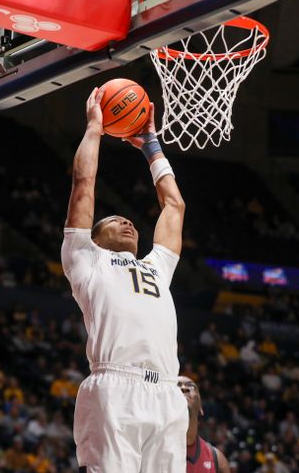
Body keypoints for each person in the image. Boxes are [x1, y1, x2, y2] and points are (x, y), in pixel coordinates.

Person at [62, 87, 188, 472]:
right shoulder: (86, 259)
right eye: (115, 220)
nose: (128, 222)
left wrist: (151, 145)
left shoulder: (156, 266)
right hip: (114, 387)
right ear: (95, 237)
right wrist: (96, 129)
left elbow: (174, 206)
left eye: (129, 220)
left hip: (168, 392)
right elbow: (83, 184)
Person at [178, 376, 231, 473]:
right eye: (176, 386)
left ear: (200, 407)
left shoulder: (217, 460)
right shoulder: (151, 449)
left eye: (191, 387)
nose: (183, 388)